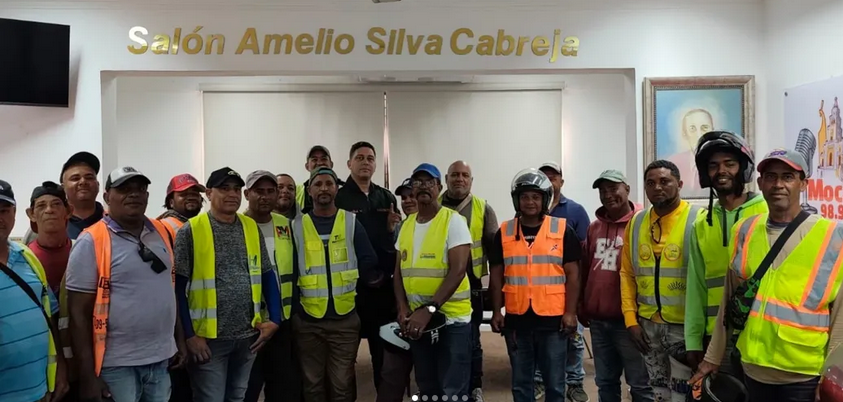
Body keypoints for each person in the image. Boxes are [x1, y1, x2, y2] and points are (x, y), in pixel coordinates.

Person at [691, 149, 843, 402]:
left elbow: (840, 317)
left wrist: (832, 375)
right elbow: (729, 302)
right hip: (752, 370)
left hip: (804, 375)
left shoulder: (832, 236)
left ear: (803, 184)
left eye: (788, 177)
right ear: (760, 183)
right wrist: (712, 357)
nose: (778, 184)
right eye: (771, 177)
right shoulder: (745, 230)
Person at [66, 167, 183, 402]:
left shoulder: (161, 231)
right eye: (124, 189)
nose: (134, 194)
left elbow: (168, 290)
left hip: (160, 359)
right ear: (107, 197)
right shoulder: (91, 240)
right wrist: (88, 376)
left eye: (140, 189)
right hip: (116, 366)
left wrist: (178, 339)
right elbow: (78, 314)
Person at [173, 167, 281, 402]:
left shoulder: (250, 227)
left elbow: (266, 274)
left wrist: (275, 319)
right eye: (224, 188)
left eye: (236, 189)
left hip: (248, 335)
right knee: (210, 398)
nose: (232, 194)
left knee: (238, 397)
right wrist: (189, 336)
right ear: (209, 193)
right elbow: (178, 289)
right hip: (208, 340)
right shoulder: (190, 231)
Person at [488, 168, 580, 402]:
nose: (530, 202)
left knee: (555, 384)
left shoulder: (562, 230)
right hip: (517, 319)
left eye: (536, 197)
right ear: (517, 200)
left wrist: (570, 313)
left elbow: (573, 275)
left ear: (545, 199)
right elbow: (496, 275)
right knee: (521, 383)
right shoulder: (505, 231)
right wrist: (497, 311)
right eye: (525, 197)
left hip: (553, 320)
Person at [619, 160, 704, 401]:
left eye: (665, 181)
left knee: (684, 393)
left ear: (680, 184)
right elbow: (627, 274)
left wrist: (701, 332)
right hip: (647, 326)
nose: (657, 187)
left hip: (684, 327)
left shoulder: (699, 219)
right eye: (651, 183)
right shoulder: (636, 222)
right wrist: (630, 320)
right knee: (658, 392)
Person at [292, 167, 379, 402]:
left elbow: (368, 260)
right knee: (312, 385)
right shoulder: (296, 226)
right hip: (308, 321)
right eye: (318, 184)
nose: (324, 188)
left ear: (336, 189)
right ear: (309, 191)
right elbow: (290, 269)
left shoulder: (350, 222)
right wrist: (297, 312)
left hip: (345, 320)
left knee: (342, 384)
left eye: (329, 184)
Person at [684, 131, 767, 375]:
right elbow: (696, 286)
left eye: (729, 164)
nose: (721, 171)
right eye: (713, 165)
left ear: (743, 168)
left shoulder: (766, 213)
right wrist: (693, 339)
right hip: (717, 337)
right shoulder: (702, 224)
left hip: (761, 334)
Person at [394, 163, 473, 400]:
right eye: (417, 182)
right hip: (418, 321)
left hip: (451, 321)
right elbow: (398, 273)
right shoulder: (406, 225)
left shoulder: (453, 221)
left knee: (452, 390)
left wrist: (428, 309)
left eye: (429, 182)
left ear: (439, 187)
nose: (423, 187)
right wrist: (402, 308)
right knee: (427, 387)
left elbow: (458, 271)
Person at [580, 170, 652, 402]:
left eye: (613, 189)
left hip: (630, 323)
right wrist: (582, 304)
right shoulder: (594, 228)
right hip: (599, 323)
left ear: (627, 189)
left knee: (640, 385)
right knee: (605, 383)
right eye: (603, 191)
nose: (608, 195)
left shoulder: (643, 224)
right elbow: (584, 268)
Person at [334, 141, 400, 394]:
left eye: (370, 158)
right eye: (359, 158)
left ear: (375, 165)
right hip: (350, 288)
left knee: (383, 355)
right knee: (344, 358)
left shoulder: (386, 197)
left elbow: (394, 241)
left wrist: (391, 229)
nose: (365, 162)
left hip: (381, 287)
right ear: (349, 164)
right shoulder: (339, 197)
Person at [0, 179, 69, 402]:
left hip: (39, 389)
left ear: (14, 213)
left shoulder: (27, 257)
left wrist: (60, 368)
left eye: (4, 211)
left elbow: (49, 317)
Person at [440, 160, 498, 402]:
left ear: (471, 181)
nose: (459, 179)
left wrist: (494, 292)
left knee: (471, 340)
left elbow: (495, 254)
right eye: (454, 175)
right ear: (446, 179)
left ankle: (474, 387)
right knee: (439, 340)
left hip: (470, 287)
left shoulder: (483, 209)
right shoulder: (433, 206)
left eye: (465, 175)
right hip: (438, 284)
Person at [243, 170, 301, 402]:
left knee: (281, 388)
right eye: (259, 191)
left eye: (270, 191)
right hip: (249, 323)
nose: (265, 196)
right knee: (248, 387)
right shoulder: (238, 225)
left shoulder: (285, 225)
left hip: (281, 321)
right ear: (247, 194)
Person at [537, 161, 589, 402]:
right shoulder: (528, 210)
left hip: (569, 289)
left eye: (553, 177)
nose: (549, 181)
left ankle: (575, 383)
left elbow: (584, 255)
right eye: (544, 177)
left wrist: (579, 296)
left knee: (574, 340)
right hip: (539, 293)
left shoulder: (576, 211)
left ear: (561, 181)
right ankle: (539, 381)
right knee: (540, 341)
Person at [26, 181, 78, 402]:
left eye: (56, 204)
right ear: (31, 214)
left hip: (83, 357)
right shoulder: (23, 260)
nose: (49, 210)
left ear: (69, 211)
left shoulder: (83, 250)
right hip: (42, 364)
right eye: (41, 205)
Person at [377, 177, 417, 402]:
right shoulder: (399, 227)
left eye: (412, 196)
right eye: (404, 198)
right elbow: (394, 267)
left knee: (426, 377)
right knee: (392, 373)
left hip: (430, 313)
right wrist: (389, 230)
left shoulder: (441, 224)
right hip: (400, 309)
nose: (408, 201)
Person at [23, 152, 106, 244]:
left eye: (89, 178)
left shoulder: (113, 224)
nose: (83, 182)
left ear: (98, 184)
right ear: (63, 187)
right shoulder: (40, 229)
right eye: (75, 178)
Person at [297, 145, 344, 214]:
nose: (320, 163)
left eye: (324, 159)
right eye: (314, 160)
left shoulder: (344, 189)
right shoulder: (296, 192)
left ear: (331, 164)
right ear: (307, 166)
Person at [158, 173, 206, 238]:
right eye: (184, 194)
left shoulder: (205, 226)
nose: (191, 198)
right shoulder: (162, 227)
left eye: (194, 194)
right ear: (171, 202)